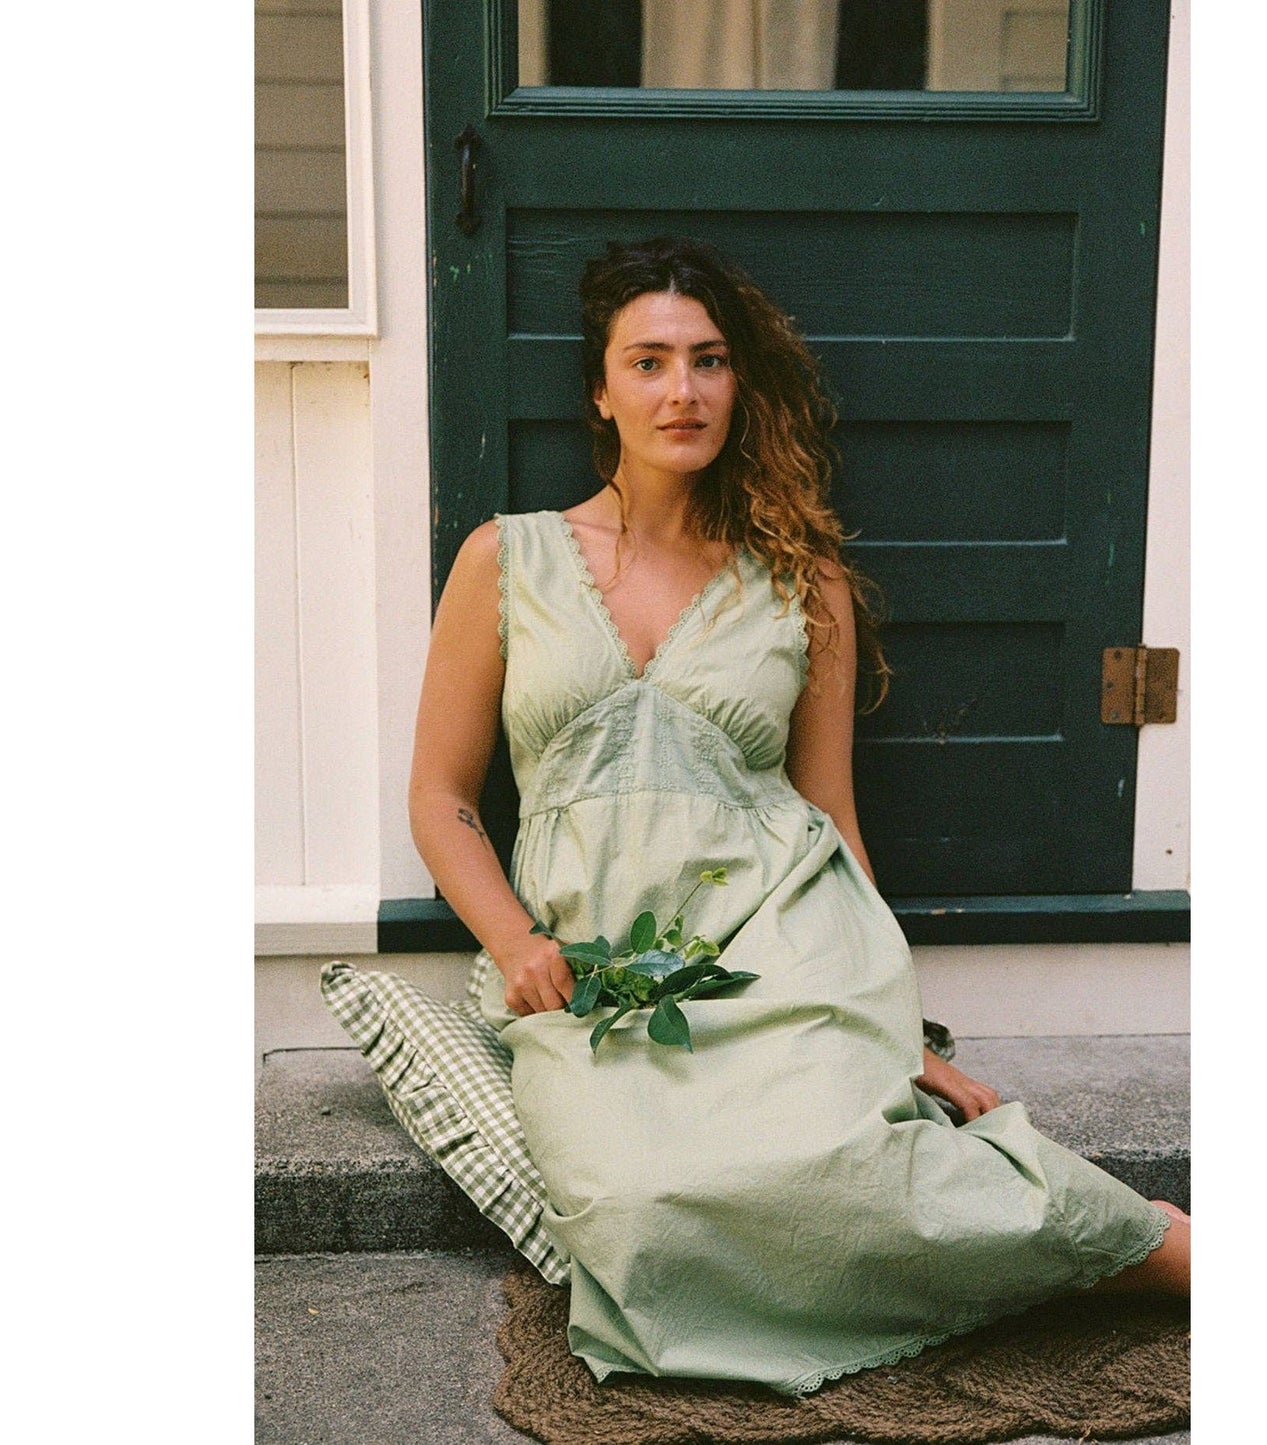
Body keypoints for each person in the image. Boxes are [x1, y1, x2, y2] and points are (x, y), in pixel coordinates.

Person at [405, 236, 1189, 1394]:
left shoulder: (798, 574)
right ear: (599, 390)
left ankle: (1149, 1244)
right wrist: (514, 940)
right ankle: (1088, 1254)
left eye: (708, 360)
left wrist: (901, 1028)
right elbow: (439, 796)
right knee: (635, 1206)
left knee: (847, 1159)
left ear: (738, 383)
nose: (681, 389)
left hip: (783, 941)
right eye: (648, 361)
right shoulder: (505, 558)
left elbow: (828, 811)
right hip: (599, 970)